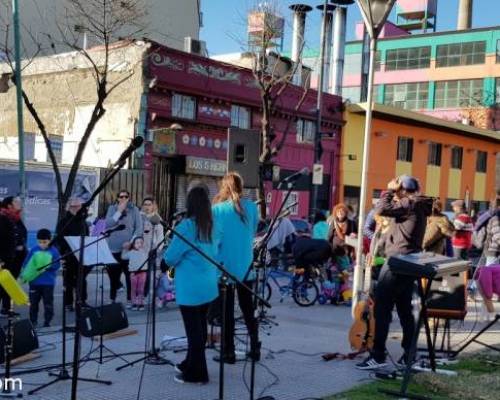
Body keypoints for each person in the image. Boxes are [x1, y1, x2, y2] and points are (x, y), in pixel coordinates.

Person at [356, 175, 432, 370]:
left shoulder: (409, 203)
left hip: (398, 262)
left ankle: (378, 355)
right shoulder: (418, 204)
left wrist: (389, 190)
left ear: (401, 190)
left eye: (397, 191)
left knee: (381, 309)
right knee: (405, 310)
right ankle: (409, 355)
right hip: (408, 262)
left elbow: (380, 209)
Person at [164, 185, 219, 384]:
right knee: (200, 328)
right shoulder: (212, 226)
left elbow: (171, 257)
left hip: (190, 288)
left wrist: (165, 259)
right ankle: (190, 362)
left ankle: (198, 374)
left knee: (194, 332)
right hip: (208, 286)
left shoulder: (186, 226)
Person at [212, 172, 260, 364]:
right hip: (246, 265)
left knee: (227, 313)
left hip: (224, 266)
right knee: (248, 309)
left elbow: (214, 238)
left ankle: (228, 352)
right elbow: (254, 232)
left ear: (224, 187)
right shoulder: (252, 207)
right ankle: (255, 347)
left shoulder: (218, 209)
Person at [105, 189, 143, 306]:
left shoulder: (134, 209)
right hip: (113, 247)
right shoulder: (112, 208)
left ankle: (130, 299)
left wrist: (131, 243)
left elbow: (139, 228)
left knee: (129, 275)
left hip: (128, 248)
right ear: (117, 198)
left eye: (125, 197)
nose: (123, 199)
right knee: (113, 275)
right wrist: (119, 211)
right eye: (121, 197)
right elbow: (108, 224)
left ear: (129, 198)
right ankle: (112, 299)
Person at [56, 197, 90, 311]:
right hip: (68, 254)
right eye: (74, 206)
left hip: (82, 255)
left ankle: (82, 301)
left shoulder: (83, 221)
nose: (77, 208)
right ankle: (68, 303)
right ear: (69, 207)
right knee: (68, 280)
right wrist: (63, 253)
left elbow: (87, 237)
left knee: (82, 279)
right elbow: (59, 239)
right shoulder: (64, 222)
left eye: (79, 206)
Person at [23, 229, 61, 328]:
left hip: (48, 283)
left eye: (45, 242)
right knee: (33, 304)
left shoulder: (54, 251)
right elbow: (26, 263)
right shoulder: (34, 249)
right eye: (40, 242)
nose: (42, 244)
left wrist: (48, 267)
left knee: (48, 304)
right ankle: (33, 321)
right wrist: (27, 273)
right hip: (34, 282)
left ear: (50, 240)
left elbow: (57, 265)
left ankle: (47, 322)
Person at [0, 196, 27, 315]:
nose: (20, 203)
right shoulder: (2, 218)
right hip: (5, 258)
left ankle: (6, 308)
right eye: (17, 202)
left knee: (10, 284)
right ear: (9, 205)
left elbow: (21, 234)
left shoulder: (16, 218)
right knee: (2, 283)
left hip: (16, 258)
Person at [140, 197, 164, 301]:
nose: (147, 207)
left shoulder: (157, 219)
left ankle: (146, 295)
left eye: (149, 204)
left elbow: (160, 237)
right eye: (145, 204)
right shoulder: (139, 217)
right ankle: (137, 295)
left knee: (148, 273)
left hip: (151, 251)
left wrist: (157, 249)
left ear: (153, 206)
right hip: (139, 250)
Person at [122, 236, 148, 311]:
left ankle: (140, 302)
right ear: (133, 244)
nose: (139, 244)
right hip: (133, 273)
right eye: (137, 243)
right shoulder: (131, 253)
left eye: (141, 243)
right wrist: (125, 249)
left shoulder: (145, 251)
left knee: (141, 288)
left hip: (142, 272)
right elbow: (123, 257)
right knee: (133, 289)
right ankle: (134, 302)